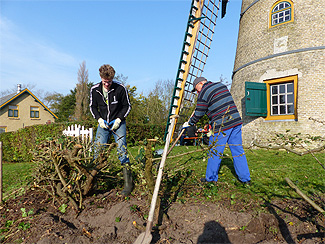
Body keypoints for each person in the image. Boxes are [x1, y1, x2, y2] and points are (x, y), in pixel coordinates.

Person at [183, 77, 251, 184]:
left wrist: (190, 123)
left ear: (201, 83)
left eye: (196, 89)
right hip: (235, 121)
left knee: (214, 152)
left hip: (221, 125)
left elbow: (199, 112)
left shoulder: (203, 93)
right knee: (238, 151)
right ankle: (245, 179)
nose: (197, 92)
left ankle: (210, 179)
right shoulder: (221, 85)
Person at [90, 64, 133, 196]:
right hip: (103, 124)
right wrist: (99, 119)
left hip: (118, 124)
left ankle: (128, 184)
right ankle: (93, 183)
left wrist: (119, 119)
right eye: (104, 82)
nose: (107, 84)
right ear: (101, 78)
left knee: (121, 150)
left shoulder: (120, 88)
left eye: (109, 81)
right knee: (98, 151)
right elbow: (92, 107)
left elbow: (127, 106)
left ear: (112, 79)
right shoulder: (95, 89)